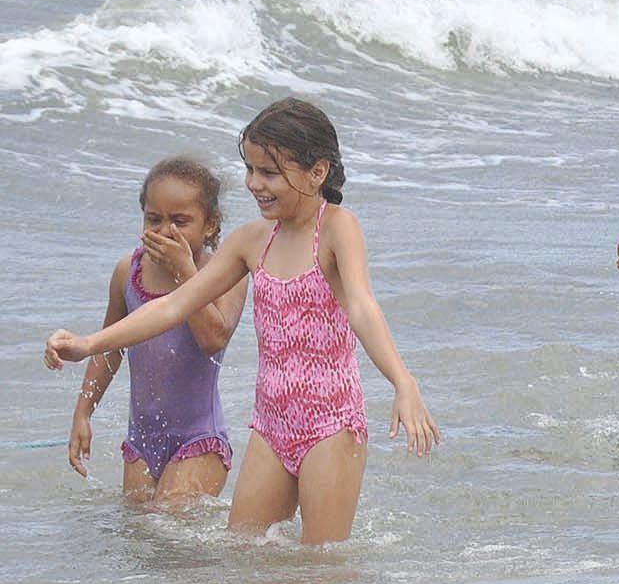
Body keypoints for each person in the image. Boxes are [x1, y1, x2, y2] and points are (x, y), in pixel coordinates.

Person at [46, 98, 439, 545]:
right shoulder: (252, 240)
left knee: (322, 573)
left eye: (269, 173)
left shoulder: (336, 228)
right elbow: (173, 306)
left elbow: (364, 308)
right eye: (250, 170)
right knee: (245, 559)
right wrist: (89, 343)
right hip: (270, 427)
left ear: (317, 172)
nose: (254, 184)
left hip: (331, 424)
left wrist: (403, 382)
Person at [66, 156, 249, 507]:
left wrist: (185, 272)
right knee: (142, 539)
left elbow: (213, 339)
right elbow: (109, 348)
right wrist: (83, 413)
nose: (165, 230)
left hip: (199, 440)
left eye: (180, 221)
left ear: (210, 224)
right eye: (154, 219)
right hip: (140, 443)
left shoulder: (224, 275)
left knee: (172, 525)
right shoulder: (128, 272)